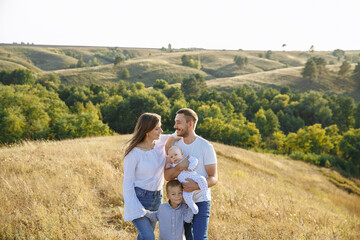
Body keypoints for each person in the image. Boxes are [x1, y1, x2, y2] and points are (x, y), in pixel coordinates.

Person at [164, 108, 218, 240]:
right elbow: (167, 176)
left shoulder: (206, 146)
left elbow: (213, 178)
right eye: (175, 122)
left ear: (190, 124)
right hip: (179, 201)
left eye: (178, 122)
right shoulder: (174, 146)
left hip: (201, 200)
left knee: (199, 237)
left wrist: (195, 186)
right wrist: (181, 167)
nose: (175, 126)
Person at [123, 113, 168, 240]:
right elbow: (127, 184)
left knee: (143, 237)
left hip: (157, 198)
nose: (161, 131)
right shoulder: (133, 154)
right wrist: (135, 207)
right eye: (157, 128)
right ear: (147, 131)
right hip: (139, 199)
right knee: (149, 237)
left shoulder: (160, 144)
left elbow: (179, 136)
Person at [166, 145, 210, 214]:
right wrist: (169, 166)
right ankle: (193, 207)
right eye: (171, 157)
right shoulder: (174, 165)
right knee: (186, 196)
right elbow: (171, 172)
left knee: (202, 179)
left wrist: (191, 167)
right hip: (185, 185)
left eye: (175, 155)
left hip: (193, 176)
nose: (174, 157)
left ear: (182, 154)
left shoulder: (186, 159)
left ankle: (205, 193)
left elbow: (195, 160)